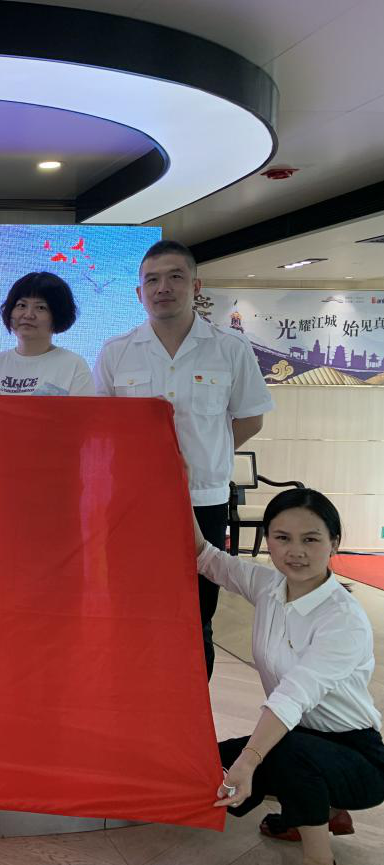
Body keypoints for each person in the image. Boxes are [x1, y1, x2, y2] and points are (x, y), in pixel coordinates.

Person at [94, 239, 273, 677]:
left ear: (195, 285)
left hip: (204, 500)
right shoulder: (117, 351)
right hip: (132, 502)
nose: (163, 288)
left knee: (197, 613)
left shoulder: (230, 349)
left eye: (175, 277)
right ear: (138, 292)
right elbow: (101, 427)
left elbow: (250, 419)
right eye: (152, 280)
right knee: (131, 604)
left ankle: (193, 709)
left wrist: (206, 454)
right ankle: (136, 697)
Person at [196, 488, 383, 865]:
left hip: (357, 757)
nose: (295, 551)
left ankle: (319, 856)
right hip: (298, 738)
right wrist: (181, 486)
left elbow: (292, 696)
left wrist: (249, 761)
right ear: (268, 539)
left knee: (280, 754)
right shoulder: (269, 587)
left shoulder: (343, 619)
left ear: (334, 543)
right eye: (283, 537)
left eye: (310, 539)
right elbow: (206, 556)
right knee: (208, 765)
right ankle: (323, 811)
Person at [0, 271, 94, 396]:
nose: (28, 315)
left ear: (58, 315)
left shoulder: (73, 365)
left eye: (40, 307)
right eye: (21, 305)